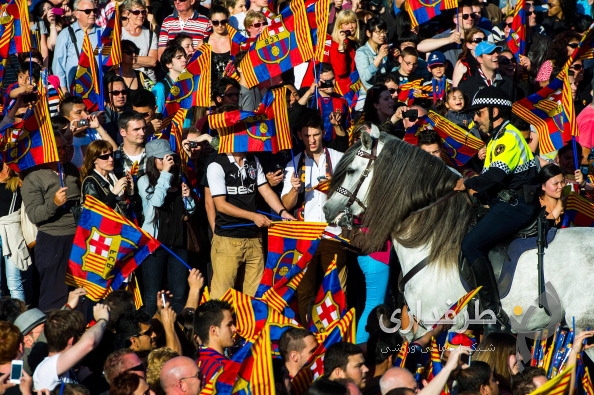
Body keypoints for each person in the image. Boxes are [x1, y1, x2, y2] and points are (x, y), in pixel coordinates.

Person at [454, 86, 539, 334]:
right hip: (504, 201)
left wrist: (466, 183)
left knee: (471, 244)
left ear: (495, 111)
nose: (475, 117)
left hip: (516, 206)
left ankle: (492, 310)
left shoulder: (509, 137)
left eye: (479, 112)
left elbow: (494, 176)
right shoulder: (496, 138)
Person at [206, 144, 295, 299]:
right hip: (228, 239)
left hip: (254, 239)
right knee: (221, 297)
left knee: (255, 296)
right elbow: (220, 205)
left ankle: (248, 323)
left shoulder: (253, 160)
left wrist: (283, 212)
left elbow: (266, 191)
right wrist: (253, 216)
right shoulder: (216, 164)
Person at [280, 112, 346, 322]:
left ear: (323, 133)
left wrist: (334, 190)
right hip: (304, 236)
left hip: (333, 235)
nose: (312, 140)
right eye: (307, 135)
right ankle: (307, 338)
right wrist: (294, 190)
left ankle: (336, 338)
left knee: (336, 290)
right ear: (300, 135)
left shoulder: (338, 158)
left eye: (316, 134)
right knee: (305, 291)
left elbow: (353, 196)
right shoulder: (294, 163)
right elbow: (286, 205)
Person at [22, 132, 81, 311]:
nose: (63, 152)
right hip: (53, 241)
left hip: (77, 239)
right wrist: (54, 204)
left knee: (79, 293)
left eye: (65, 147)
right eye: (58, 149)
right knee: (54, 296)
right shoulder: (33, 178)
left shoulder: (71, 169)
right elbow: (34, 215)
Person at [138, 139, 196, 315]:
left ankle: (177, 333)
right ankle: (148, 334)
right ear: (152, 161)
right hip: (155, 244)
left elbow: (190, 211)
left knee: (179, 293)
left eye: (168, 157)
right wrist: (165, 174)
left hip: (177, 242)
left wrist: (188, 198)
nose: (166, 161)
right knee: (151, 295)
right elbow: (156, 202)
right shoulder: (143, 181)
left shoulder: (178, 178)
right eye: (161, 158)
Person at [32, 304, 110, 390]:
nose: (82, 337)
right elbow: (89, 342)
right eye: (81, 335)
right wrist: (103, 320)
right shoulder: (47, 368)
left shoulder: (63, 368)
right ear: (71, 340)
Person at [52, 0, 101, 94]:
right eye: (87, 11)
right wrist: (65, 92)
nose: (92, 14)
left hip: (99, 90)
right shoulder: (66, 34)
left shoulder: (102, 33)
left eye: (94, 10)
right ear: (76, 13)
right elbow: (58, 66)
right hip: (75, 90)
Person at [0, 159, 29, 301]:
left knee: (14, 281)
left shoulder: (18, 180)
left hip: (11, 232)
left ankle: (21, 320)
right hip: (4, 230)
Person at [417, 4, 476, 71]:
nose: (470, 18)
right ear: (455, 20)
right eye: (465, 16)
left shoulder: (480, 36)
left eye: (472, 15)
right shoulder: (445, 36)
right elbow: (420, 47)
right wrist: (448, 40)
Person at [354, 17, 397, 109]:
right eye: (378, 32)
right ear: (368, 33)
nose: (382, 35)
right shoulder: (362, 52)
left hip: (384, 96)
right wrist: (379, 57)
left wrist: (395, 59)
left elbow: (390, 73)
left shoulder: (383, 49)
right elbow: (365, 77)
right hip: (368, 97)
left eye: (384, 31)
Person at [80, 140, 132, 216]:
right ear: (94, 160)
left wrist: (131, 191)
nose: (111, 159)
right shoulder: (90, 182)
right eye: (105, 157)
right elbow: (94, 213)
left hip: (121, 224)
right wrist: (113, 193)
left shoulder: (115, 175)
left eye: (111, 154)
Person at [193, 300, 236, 382]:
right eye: (229, 324)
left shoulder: (196, 364)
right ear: (214, 330)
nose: (234, 329)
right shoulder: (221, 370)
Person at [121, 0, 158, 83]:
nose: (141, 15)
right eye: (136, 12)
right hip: (126, 78)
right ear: (128, 14)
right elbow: (116, 59)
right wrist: (145, 61)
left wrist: (127, 60)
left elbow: (153, 61)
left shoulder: (151, 34)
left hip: (148, 79)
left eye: (143, 12)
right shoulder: (119, 33)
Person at [152, 45, 188, 115]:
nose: (184, 60)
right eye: (179, 58)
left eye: (184, 56)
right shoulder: (160, 87)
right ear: (168, 64)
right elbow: (158, 115)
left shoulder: (190, 83)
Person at [205, 6, 232, 84]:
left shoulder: (235, 41)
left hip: (232, 88)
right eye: (216, 22)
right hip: (211, 87)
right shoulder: (204, 43)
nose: (220, 25)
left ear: (228, 21)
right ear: (210, 23)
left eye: (223, 22)